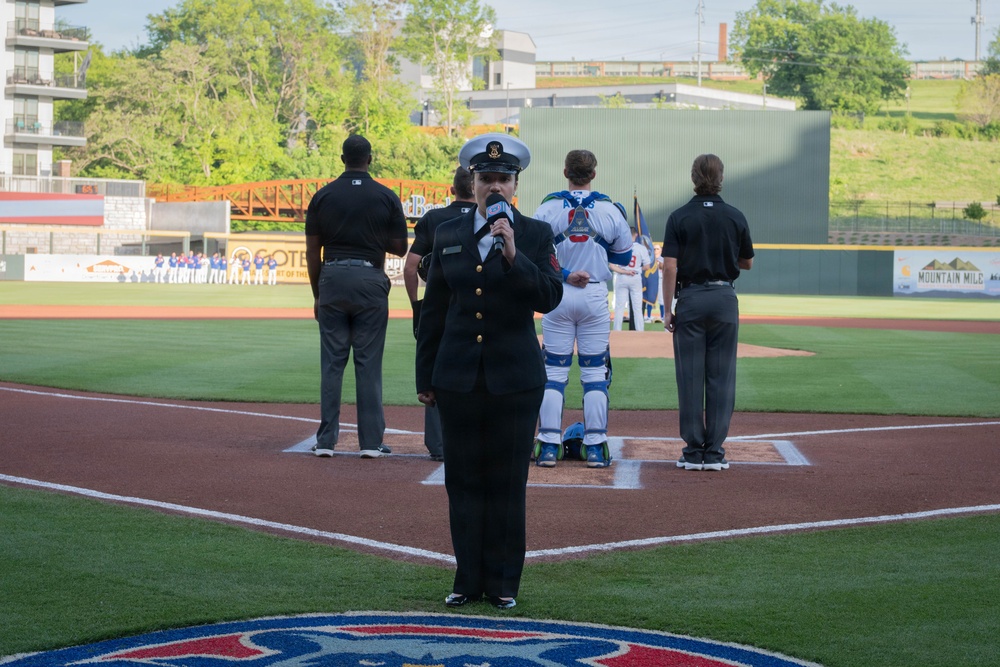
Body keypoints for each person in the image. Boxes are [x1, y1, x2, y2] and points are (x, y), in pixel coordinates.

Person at [415, 133, 562, 609]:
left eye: (503, 179)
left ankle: (502, 584)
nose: (494, 186)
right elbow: (434, 309)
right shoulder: (448, 234)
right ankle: (466, 579)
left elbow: (549, 297)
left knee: (506, 481)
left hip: (515, 380)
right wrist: (425, 378)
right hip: (457, 377)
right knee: (462, 480)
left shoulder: (537, 234)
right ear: (471, 182)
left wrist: (514, 254)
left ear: (515, 184)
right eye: (486, 179)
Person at [306, 134, 408, 458]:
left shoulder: (322, 196)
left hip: (332, 277)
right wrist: (373, 237)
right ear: (370, 159)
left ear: (342, 159)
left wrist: (318, 293)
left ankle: (325, 441)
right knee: (368, 363)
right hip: (370, 279)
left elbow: (312, 251)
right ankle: (371, 443)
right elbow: (401, 247)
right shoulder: (386, 196)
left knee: (332, 364)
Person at [531, 149, 633, 468]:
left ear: (566, 172)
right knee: (594, 374)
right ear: (593, 174)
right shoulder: (610, 209)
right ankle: (595, 447)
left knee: (553, 373)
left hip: (557, 293)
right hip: (593, 294)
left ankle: (548, 446)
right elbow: (621, 257)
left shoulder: (546, 207)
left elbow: (533, 256)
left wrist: (564, 272)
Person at [660, 154, 755, 472]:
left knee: (690, 377)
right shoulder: (735, 215)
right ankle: (714, 453)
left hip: (691, 298)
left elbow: (670, 266)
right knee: (721, 377)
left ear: (693, 177)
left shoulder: (679, 216)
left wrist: (668, 308)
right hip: (724, 298)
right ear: (721, 177)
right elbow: (747, 262)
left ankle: (692, 451)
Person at [403, 166, 476, 462]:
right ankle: (475, 439)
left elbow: (410, 267)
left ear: (451, 190)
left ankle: (439, 446)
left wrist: (416, 305)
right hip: (476, 308)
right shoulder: (487, 219)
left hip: (439, 308)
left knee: (434, 371)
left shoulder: (434, 219)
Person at [610, 229, 651, 331]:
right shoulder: (641, 248)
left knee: (619, 307)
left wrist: (625, 271)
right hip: (635, 277)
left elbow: (611, 266)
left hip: (622, 276)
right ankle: (640, 331)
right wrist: (636, 269)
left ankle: (617, 331)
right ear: (636, 235)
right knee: (637, 308)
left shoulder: (619, 246)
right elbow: (647, 266)